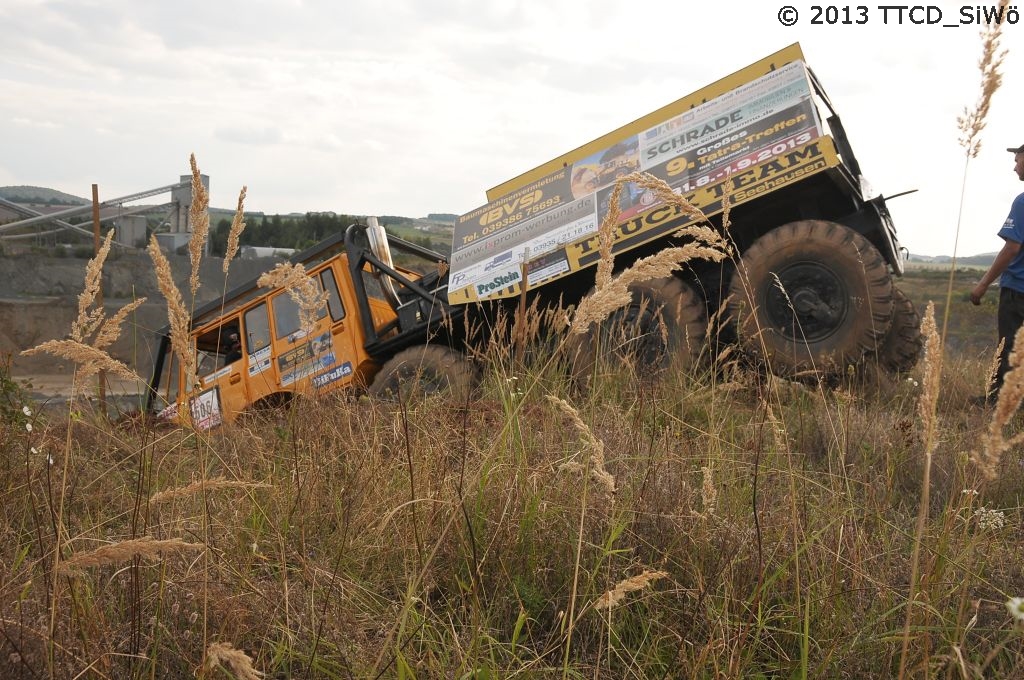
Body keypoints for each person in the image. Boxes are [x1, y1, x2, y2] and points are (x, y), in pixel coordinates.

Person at [970, 143, 1024, 404]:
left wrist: (982, 284)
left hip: (1018, 290)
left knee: (1009, 347)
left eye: (1018, 160)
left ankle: (998, 403)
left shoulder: (1022, 201)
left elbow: (1012, 247)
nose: (1014, 166)